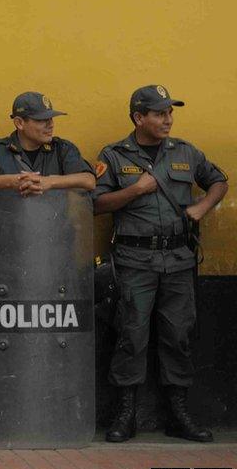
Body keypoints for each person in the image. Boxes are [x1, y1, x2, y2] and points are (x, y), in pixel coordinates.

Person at [93, 84, 228, 443]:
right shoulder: (115, 155)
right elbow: (97, 203)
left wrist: (201, 207)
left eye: (170, 112)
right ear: (139, 117)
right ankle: (125, 413)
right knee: (130, 336)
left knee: (178, 335)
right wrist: (134, 190)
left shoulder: (185, 151)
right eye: (159, 113)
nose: (167, 119)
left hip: (179, 259)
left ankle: (178, 414)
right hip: (135, 259)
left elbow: (218, 181)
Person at [0, 91, 95, 196]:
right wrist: (12, 181)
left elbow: (89, 180)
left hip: (53, 232)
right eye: (41, 120)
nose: (50, 125)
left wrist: (49, 182)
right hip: (8, 232)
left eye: (51, 119)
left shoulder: (62, 149)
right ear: (19, 123)